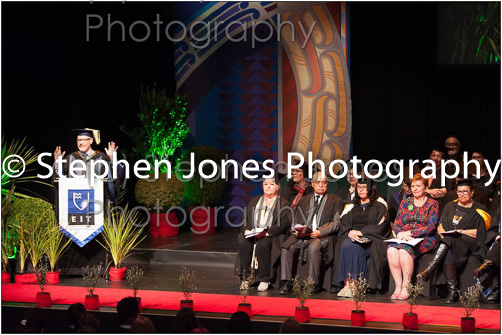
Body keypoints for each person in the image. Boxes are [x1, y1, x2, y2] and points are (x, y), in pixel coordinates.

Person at [418, 179, 490, 303]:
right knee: (449, 245)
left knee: (450, 240)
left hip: (472, 243)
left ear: (472, 192)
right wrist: (443, 231)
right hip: (451, 242)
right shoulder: (450, 205)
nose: (461, 194)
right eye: (459, 191)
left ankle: (431, 269)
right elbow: (440, 226)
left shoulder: (480, 209)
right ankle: (452, 291)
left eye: (465, 192)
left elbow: (481, 233)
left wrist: (461, 232)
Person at [278, 172, 343, 295]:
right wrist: (296, 230)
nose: (321, 185)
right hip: (303, 235)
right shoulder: (304, 199)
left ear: (327, 184)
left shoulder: (335, 200)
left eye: (324, 182)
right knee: (287, 247)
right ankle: (286, 282)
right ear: (312, 184)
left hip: (323, 236)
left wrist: (320, 232)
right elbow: (295, 219)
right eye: (318, 182)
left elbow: (336, 222)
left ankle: (312, 283)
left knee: (314, 247)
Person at [334, 178, 390, 297]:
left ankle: (353, 285)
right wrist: (349, 232)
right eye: (359, 187)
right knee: (346, 244)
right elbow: (343, 223)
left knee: (352, 247)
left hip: (372, 240)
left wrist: (362, 232)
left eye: (364, 187)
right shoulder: (351, 206)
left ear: (371, 189)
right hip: (353, 237)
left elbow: (381, 226)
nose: (361, 190)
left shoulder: (380, 205)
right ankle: (347, 284)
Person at [387, 173, 439, 300]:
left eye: (418, 186)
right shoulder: (406, 202)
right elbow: (397, 222)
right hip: (403, 236)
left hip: (424, 238)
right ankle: (398, 286)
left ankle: (407, 286)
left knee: (404, 251)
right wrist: (399, 234)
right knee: (391, 250)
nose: (414, 189)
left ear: (426, 188)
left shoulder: (433, 203)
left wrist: (411, 233)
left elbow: (431, 226)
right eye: (413, 186)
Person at [237, 177, 292, 291]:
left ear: (277, 187)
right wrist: (247, 230)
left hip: (270, 234)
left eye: (271, 184)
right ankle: (246, 278)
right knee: (243, 241)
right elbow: (246, 218)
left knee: (263, 244)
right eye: (265, 184)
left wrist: (268, 232)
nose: (268, 186)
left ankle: (264, 279)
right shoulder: (255, 201)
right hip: (253, 232)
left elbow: (284, 223)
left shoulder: (283, 202)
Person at [53, 128, 124, 205]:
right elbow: (59, 181)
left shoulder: (102, 157)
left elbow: (115, 178)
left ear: (91, 141)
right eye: (79, 140)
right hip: (75, 203)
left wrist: (111, 158)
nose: (81, 143)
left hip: (98, 202)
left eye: (84, 140)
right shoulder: (70, 158)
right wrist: (57, 163)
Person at [424, 144, 456, 214]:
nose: (435, 158)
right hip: (424, 205)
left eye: (438, 156)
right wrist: (429, 191)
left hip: (440, 205)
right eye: (433, 155)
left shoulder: (448, 171)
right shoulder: (426, 171)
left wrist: (427, 191)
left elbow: (446, 190)